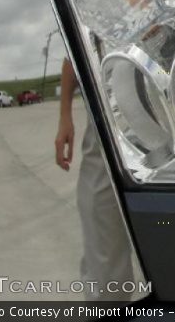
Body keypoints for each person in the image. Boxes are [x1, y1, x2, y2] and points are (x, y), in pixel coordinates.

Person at [55, 58, 134, 301]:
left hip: (167, 101)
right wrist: (65, 116)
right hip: (106, 117)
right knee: (99, 214)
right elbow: (71, 57)